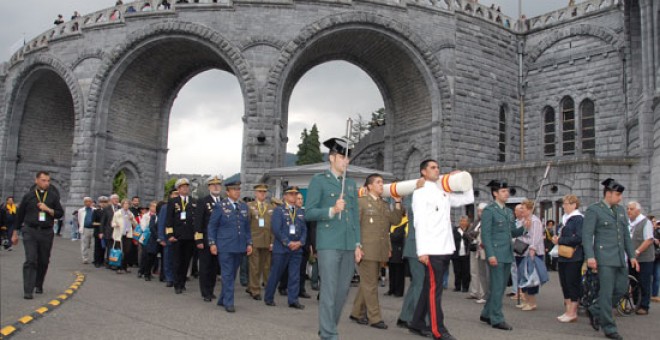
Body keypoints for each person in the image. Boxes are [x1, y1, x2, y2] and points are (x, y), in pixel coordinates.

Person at [408, 160, 473, 340]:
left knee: (430, 287)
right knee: (434, 291)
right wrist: (422, 251)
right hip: (432, 249)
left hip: (445, 247)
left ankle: (417, 323)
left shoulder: (442, 190)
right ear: (423, 171)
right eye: (433, 168)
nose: (437, 170)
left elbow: (467, 199)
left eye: (438, 167)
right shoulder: (420, 193)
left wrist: (464, 181)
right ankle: (438, 330)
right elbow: (419, 222)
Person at [305, 137, 362, 340]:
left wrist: (357, 243)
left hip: (348, 243)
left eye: (348, 158)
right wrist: (331, 210)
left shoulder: (350, 185)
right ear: (331, 158)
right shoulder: (319, 181)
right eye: (342, 157)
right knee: (329, 290)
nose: (346, 161)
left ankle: (327, 328)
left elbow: (354, 216)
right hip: (329, 242)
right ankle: (330, 334)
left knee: (342, 292)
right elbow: (309, 212)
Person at [583, 178, 639, 340]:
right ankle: (609, 327)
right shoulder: (595, 210)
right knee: (606, 293)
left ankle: (595, 309)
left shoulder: (620, 210)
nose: (620, 198)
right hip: (604, 258)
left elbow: (626, 237)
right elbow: (587, 236)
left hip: (619, 258)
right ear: (608, 194)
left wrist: (632, 256)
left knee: (621, 289)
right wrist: (590, 257)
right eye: (617, 194)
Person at [350, 173, 403, 329]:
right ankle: (375, 318)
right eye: (378, 182)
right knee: (371, 285)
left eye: (382, 182)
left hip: (379, 249)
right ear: (369, 186)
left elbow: (396, 220)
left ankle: (356, 312)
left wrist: (398, 202)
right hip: (366, 249)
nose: (382, 185)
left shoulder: (384, 204)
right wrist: (356, 246)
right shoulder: (361, 202)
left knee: (368, 283)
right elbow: (355, 226)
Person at [479, 179, 528, 331]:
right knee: (499, 287)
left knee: (497, 286)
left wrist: (524, 228)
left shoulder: (507, 211)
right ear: (495, 193)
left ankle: (487, 313)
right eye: (503, 191)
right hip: (496, 254)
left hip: (507, 253)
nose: (507, 193)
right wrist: (490, 254)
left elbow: (512, 232)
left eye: (507, 191)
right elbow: (485, 234)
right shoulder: (489, 210)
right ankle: (497, 318)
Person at [11, 171, 64, 299]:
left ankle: (38, 283)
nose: (46, 183)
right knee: (31, 259)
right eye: (43, 180)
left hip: (46, 232)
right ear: (37, 181)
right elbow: (20, 215)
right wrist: (14, 233)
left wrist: (48, 209)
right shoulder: (28, 196)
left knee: (43, 260)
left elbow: (59, 213)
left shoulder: (53, 197)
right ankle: (28, 290)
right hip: (30, 231)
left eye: (48, 181)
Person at [208, 180, 253, 313]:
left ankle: (222, 299)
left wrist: (249, 242)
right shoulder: (220, 206)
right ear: (227, 192)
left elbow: (246, 227)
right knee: (227, 274)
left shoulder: (244, 206)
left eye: (238, 189)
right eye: (234, 190)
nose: (237, 192)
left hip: (239, 246)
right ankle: (229, 302)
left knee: (232, 275)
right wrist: (212, 243)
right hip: (225, 246)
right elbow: (212, 226)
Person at [264, 186, 307, 309]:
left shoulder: (299, 211)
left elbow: (304, 229)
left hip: (296, 248)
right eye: (291, 194)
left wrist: (300, 242)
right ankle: (268, 297)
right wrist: (288, 242)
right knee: (276, 274)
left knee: (294, 275)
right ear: (285, 196)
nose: (294, 196)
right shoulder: (279, 210)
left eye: (295, 194)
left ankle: (293, 300)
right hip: (282, 248)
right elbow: (277, 229)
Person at [552, 194, 583, 323]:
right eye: (563, 203)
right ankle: (568, 310)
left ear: (574, 205)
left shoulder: (578, 219)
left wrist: (561, 240)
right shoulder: (565, 219)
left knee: (572, 283)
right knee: (564, 283)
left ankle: (573, 312)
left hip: (574, 256)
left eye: (566, 204)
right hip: (563, 255)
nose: (563, 206)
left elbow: (579, 238)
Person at [194, 175, 223, 302]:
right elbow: (198, 222)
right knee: (205, 266)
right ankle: (205, 292)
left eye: (218, 185)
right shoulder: (203, 201)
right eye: (213, 185)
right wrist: (199, 240)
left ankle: (211, 290)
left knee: (214, 268)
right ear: (209, 187)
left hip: (220, 240)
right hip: (206, 240)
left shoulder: (224, 201)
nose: (216, 187)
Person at [397, 196, 424, 329]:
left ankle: (405, 316)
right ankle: (419, 319)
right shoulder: (415, 197)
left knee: (417, 284)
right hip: (416, 248)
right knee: (420, 284)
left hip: (422, 248)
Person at [166, 178, 196, 294]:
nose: (185, 189)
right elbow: (169, 219)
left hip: (189, 236)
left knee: (186, 261)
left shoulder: (193, 201)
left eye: (187, 187)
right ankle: (177, 284)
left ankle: (182, 282)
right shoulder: (173, 202)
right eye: (183, 187)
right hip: (177, 236)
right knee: (177, 261)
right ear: (178, 189)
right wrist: (170, 234)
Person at [514, 199, 545, 311]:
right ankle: (525, 300)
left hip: (531, 253)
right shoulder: (522, 221)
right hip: (520, 251)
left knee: (531, 278)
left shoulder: (535, 221)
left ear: (530, 209)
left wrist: (532, 248)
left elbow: (536, 237)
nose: (521, 210)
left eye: (523, 208)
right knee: (522, 276)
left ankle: (532, 302)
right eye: (521, 208)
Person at [246, 184, 275, 300]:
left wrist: (272, 241)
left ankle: (256, 286)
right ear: (255, 193)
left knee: (266, 267)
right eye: (260, 192)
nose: (262, 194)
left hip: (267, 240)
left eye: (264, 192)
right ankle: (255, 290)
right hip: (254, 240)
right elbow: (246, 225)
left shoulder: (271, 207)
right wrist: (248, 241)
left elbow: (274, 227)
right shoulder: (249, 206)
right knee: (255, 267)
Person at [626, 201, 654, 315]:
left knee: (644, 281)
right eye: (628, 208)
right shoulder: (628, 223)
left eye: (631, 209)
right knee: (633, 282)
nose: (629, 211)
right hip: (631, 258)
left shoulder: (645, 222)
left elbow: (648, 240)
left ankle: (644, 306)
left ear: (638, 210)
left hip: (644, 259)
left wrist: (637, 251)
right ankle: (636, 303)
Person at [466, 203, 488, 302]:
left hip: (483, 249)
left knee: (483, 272)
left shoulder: (487, 221)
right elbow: (468, 232)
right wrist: (473, 235)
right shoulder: (476, 222)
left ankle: (484, 293)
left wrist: (474, 234)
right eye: (478, 211)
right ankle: (475, 291)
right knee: (474, 270)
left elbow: (479, 233)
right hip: (474, 247)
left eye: (481, 211)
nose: (479, 213)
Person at [158, 189, 178, 287]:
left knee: (178, 259)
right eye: (174, 194)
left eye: (177, 194)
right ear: (170, 196)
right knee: (168, 258)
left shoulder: (182, 207)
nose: (176, 196)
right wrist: (161, 237)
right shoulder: (165, 207)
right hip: (167, 237)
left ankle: (177, 277)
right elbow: (161, 223)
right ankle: (169, 278)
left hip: (179, 237)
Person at [111, 199, 137, 274]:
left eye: (128, 204)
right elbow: (112, 223)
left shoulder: (130, 213)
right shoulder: (117, 213)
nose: (126, 205)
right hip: (119, 234)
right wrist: (116, 225)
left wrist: (132, 219)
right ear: (122, 205)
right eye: (125, 204)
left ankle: (125, 266)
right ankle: (119, 267)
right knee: (120, 251)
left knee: (127, 251)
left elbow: (135, 225)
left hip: (128, 234)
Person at [388, 211, 407, 297]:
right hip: (391, 250)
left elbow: (399, 236)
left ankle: (399, 291)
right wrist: (390, 235)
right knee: (392, 271)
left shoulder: (406, 222)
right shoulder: (392, 222)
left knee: (399, 272)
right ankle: (391, 289)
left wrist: (389, 235)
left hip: (400, 251)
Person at [139, 201, 159, 281]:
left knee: (152, 256)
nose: (154, 208)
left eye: (155, 207)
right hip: (146, 237)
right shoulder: (145, 216)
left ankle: (148, 271)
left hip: (153, 238)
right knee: (145, 255)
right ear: (150, 207)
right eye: (153, 207)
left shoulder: (157, 216)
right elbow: (143, 226)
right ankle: (141, 271)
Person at [452, 216, 471, 293]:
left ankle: (465, 287)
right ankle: (457, 286)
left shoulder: (470, 230)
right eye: (461, 221)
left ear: (467, 222)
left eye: (465, 221)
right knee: (457, 270)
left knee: (466, 271)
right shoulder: (455, 230)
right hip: (456, 253)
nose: (463, 222)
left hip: (466, 253)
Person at [102, 194, 120, 268]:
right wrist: (101, 232)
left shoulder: (120, 208)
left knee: (117, 247)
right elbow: (103, 221)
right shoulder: (106, 208)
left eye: (117, 199)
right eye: (114, 199)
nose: (116, 200)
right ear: (111, 200)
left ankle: (116, 262)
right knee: (110, 247)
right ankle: (109, 263)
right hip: (109, 231)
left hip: (118, 231)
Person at [77, 197, 97, 264]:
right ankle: (85, 258)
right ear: (84, 202)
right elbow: (79, 219)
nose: (88, 203)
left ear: (91, 202)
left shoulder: (95, 210)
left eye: (89, 201)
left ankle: (95, 258)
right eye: (86, 201)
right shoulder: (81, 210)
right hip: (85, 229)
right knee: (84, 244)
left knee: (94, 244)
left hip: (93, 229)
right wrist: (81, 227)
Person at [93, 197, 108, 268]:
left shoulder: (108, 211)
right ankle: (97, 261)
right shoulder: (96, 211)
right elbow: (93, 222)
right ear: (99, 203)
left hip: (106, 232)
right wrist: (101, 224)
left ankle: (102, 261)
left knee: (103, 247)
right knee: (97, 247)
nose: (103, 204)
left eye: (105, 202)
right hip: (98, 231)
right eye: (102, 202)